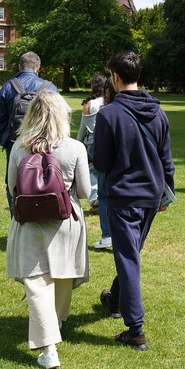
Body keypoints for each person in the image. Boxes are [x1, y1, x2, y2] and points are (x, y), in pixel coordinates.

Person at [92, 50, 175, 351]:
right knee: (130, 254)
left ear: (114, 76)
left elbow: (101, 162)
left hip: (124, 197)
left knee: (128, 259)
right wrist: (169, 192)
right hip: (152, 195)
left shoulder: (109, 113)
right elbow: (167, 159)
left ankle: (135, 330)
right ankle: (115, 301)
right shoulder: (159, 112)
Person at [5, 90, 90, 369]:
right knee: (63, 273)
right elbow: (85, 192)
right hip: (66, 220)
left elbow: (13, 187)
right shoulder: (75, 147)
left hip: (29, 221)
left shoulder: (19, 146)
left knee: (37, 282)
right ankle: (56, 324)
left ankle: (49, 347)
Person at [0, 52, 59, 214]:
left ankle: (17, 222)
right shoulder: (49, 87)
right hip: (45, 145)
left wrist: (7, 141)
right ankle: (43, 219)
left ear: (20, 67)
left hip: (16, 143)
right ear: (38, 69)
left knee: (14, 184)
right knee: (46, 181)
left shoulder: (8, 86)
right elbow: (58, 118)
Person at [77, 73, 114, 249]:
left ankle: (93, 197)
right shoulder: (111, 103)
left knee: (92, 173)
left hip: (93, 144)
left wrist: (77, 145)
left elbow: (84, 128)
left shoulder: (90, 105)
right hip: (113, 145)